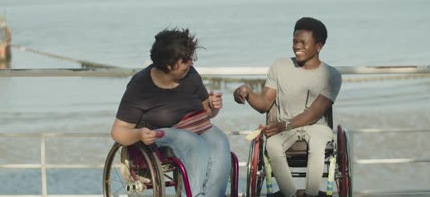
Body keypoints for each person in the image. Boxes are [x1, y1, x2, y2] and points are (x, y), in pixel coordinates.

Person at [111, 27, 231, 197]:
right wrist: (138, 134)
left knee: (220, 142)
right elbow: (118, 132)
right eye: (186, 60)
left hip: (195, 126)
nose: (191, 63)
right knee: (194, 144)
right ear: (169, 64)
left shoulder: (190, 74)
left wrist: (214, 107)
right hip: (160, 136)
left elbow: (207, 112)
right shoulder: (140, 87)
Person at [233, 17, 342, 197]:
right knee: (273, 145)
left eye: (303, 43)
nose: (297, 46)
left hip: (316, 126)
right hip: (284, 127)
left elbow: (315, 113)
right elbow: (264, 104)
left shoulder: (331, 75)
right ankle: (290, 194)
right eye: (294, 41)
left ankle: (311, 194)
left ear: (319, 46)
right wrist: (247, 92)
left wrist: (285, 125)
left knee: (317, 144)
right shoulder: (279, 67)